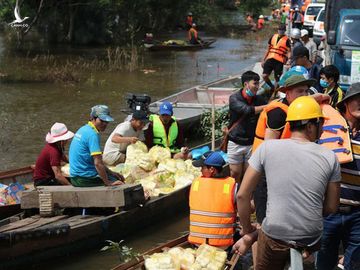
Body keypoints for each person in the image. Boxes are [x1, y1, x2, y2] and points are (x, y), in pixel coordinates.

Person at [236, 96, 341, 269]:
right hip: (311, 236)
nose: (323, 130)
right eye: (321, 124)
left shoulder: (267, 148)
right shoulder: (330, 157)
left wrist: (247, 231)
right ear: (310, 126)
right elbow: (331, 207)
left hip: (275, 234)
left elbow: (242, 195)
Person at [317, 83, 360, 270]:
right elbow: (295, 106)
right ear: (346, 103)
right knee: (324, 263)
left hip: (358, 214)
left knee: (354, 265)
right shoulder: (327, 127)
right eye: (358, 99)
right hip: (328, 213)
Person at [189, 151, 237, 249]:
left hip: (198, 243)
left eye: (202, 167)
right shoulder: (232, 185)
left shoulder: (196, 183)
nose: (200, 171)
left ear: (212, 169)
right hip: (222, 244)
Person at [69, 105, 124, 187]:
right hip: (84, 179)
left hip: (74, 177)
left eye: (106, 121)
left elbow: (97, 161)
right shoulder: (93, 134)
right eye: (102, 121)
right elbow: (98, 163)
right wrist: (108, 182)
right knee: (120, 183)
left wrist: (111, 172)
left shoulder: (83, 129)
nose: (105, 124)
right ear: (93, 118)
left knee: (114, 176)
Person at [227, 71, 267, 183]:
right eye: (255, 84)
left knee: (248, 175)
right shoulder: (234, 98)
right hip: (235, 141)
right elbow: (247, 110)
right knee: (235, 173)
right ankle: (234, 196)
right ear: (246, 84)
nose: (257, 87)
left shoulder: (259, 100)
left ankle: (246, 198)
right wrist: (268, 106)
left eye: (258, 84)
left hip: (252, 142)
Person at [262, 23, 291, 91]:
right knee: (264, 76)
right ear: (278, 30)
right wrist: (263, 59)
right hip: (270, 58)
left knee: (277, 79)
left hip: (279, 61)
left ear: (284, 31)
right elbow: (268, 49)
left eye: (282, 30)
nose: (280, 31)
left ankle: (275, 92)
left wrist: (289, 60)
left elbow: (289, 51)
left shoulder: (287, 40)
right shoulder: (273, 36)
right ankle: (272, 87)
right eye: (279, 29)